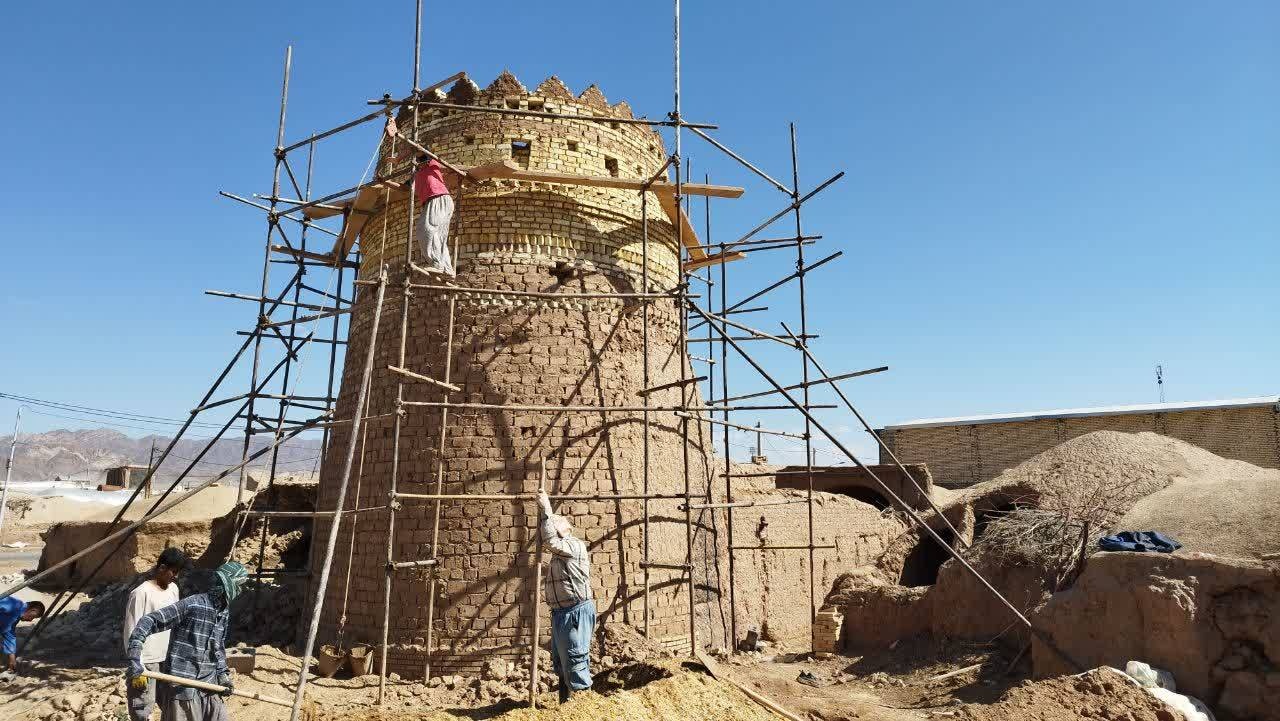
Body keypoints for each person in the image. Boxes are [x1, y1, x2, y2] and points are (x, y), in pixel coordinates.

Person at [126, 562, 248, 721]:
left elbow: (218, 647)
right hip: (183, 687)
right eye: (239, 585)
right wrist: (135, 658)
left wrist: (223, 675)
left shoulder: (223, 612)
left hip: (209, 685)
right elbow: (149, 621)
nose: (240, 590)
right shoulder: (193, 604)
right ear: (229, 584)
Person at [536, 491, 595, 703]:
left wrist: (545, 510)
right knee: (561, 662)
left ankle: (584, 706)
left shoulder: (573, 546)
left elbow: (550, 540)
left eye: (550, 526)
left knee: (575, 658)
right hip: (561, 613)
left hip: (575, 611)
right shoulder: (560, 553)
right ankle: (566, 705)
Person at [384, 116, 460, 276]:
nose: (417, 159)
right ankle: (446, 269)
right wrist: (384, 182)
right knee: (435, 235)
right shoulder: (418, 174)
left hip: (438, 198)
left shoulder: (431, 163)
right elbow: (404, 188)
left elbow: (416, 148)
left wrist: (397, 139)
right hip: (433, 202)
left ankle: (439, 265)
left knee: (426, 230)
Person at [124, 547, 190, 721]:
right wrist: (137, 665)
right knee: (142, 708)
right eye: (173, 571)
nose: (176, 576)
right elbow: (131, 630)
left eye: (178, 572)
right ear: (162, 568)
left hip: (167, 659)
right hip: (147, 662)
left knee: (171, 706)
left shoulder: (173, 589)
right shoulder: (141, 593)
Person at [0, 597, 44, 673]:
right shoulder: (13, 604)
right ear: (33, 610)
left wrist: (12, 659)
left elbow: (9, 634)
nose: (30, 620)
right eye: (33, 617)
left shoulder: (16, 616)